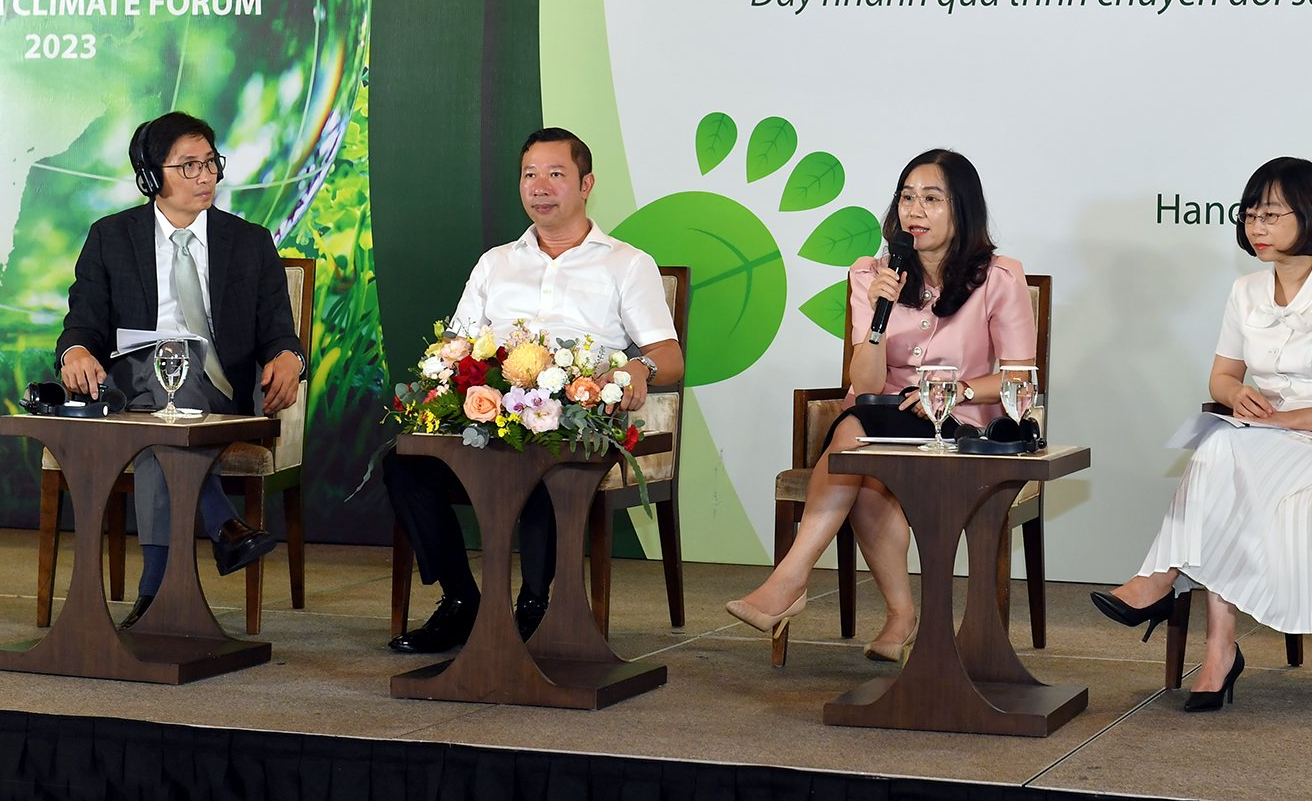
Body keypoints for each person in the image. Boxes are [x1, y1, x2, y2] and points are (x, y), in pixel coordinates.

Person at [1091, 156, 1312, 711]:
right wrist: (1237, 397)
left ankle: (1160, 580)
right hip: (1263, 440)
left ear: (1309, 215)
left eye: (1271, 214)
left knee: (1224, 449)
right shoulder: (1246, 291)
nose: (1258, 226)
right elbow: (1222, 377)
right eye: (1251, 214)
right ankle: (1217, 648)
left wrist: (1288, 421)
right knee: (1225, 447)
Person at [726, 149, 1035, 661]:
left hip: (957, 422)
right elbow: (865, 380)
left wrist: (956, 391)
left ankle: (792, 580)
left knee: (857, 443)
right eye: (907, 197)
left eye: (932, 199)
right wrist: (879, 314)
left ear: (962, 209)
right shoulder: (872, 274)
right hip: (878, 414)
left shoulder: (998, 277)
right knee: (864, 461)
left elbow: (1019, 378)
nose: (915, 210)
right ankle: (896, 613)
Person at [384, 127, 685, 654]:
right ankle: (461, 600)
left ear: (586, 184)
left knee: (548, 452)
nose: (539, 187)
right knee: (404, 462)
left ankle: (535, 606)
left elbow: (670, 358)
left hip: (575, 419)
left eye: (555, 174)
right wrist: (443, 377)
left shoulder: (625, 263)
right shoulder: (496, 262)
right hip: (492, 414)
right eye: (529, 175)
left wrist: (638, 369)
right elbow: (456, 344)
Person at [57, 112, 306, 628]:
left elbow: (278, 332)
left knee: (165, 411)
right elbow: (83, 322)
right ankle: (224, 526)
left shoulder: (249, 241)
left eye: (211, 163)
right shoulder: (110, 237)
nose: (205, 176)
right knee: (164, 387)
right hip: (131, 389)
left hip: (216, 392)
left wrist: (290, 357)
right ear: (151, 177)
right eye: (188, 166)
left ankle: (155, 589)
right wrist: (75, 351)